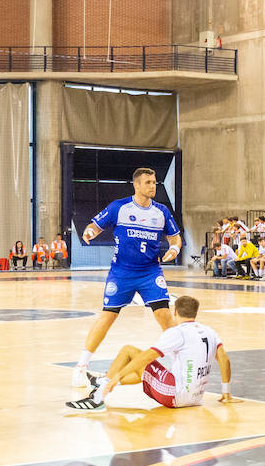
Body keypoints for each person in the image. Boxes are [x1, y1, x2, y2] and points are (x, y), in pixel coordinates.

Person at [71, 168, 182, 389]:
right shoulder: (119, 207)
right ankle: (80, 368)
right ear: (136, 185)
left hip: (150, 272)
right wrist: (90, 232)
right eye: (148, 182)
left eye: (154, 182)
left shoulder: (161, 211)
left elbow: (175, 238)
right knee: (107, 317)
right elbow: (95, 225)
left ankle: (181, 363)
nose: (153, 186)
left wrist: (174, 250)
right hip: (121, 272)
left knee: (165, 316)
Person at [65, 296, 236, 411]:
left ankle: (99, 396)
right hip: (196, 398)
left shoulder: (178, 332)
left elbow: (146, 357)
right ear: (195, 313)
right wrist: (226, 392)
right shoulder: (210, 332)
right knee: (148, 372)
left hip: (176, 396)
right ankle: (104, 382)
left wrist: (116, 377)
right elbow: (224, 359)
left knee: (129, 351)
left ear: (174, 312)